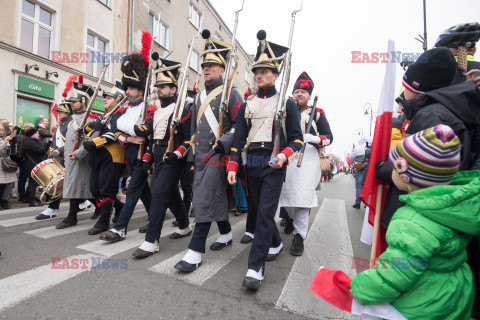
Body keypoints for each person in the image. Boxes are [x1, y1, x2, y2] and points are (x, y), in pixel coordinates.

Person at [351, 125, 479, 320]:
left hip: (420, 306)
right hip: (452, 297)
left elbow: (395, 274)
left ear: (406, 175)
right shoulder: (453, 208)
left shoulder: (412, 221)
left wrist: (360, 288)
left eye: (395, 166)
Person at [226, 31, 303, 290]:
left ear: (275, 74)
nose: (258, 75)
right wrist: (233, 165)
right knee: (259, 210)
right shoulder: (247, 103)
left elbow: (297, 140)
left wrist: (283, 155)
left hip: (274, 163)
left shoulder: (287, 103)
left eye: (264, 71)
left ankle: (255, 267)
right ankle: (276, 243)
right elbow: (238, 139)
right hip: (252, 162)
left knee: (264, 214)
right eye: (256, 71)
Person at [174, 31, 243, 273]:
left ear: (222, 69)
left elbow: (240, 126)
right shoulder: (199, 97)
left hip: (219, 155)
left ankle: (195, 252)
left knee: (204, 199)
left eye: (212, 65)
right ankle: (225, 233)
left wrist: (222, 142)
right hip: (201, 157)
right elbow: (193, 131)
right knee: (212, 196)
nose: (206, 69)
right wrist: (192, 159)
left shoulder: (230, 92)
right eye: (204, 65)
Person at [130, 59, 192, 258]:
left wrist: (177, 154)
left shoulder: (182, 109)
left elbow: (189, 138)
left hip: (174, 158)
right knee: (171, 193)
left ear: (173, 89)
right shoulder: (156, 111)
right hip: (159, 156)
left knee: (158, 193)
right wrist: (147, 157)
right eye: (157, 86)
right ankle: (184, 225)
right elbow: (152, 138)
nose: (159, 90)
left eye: (163, 87)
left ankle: (151, 241)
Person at [98, 52, 152, 242]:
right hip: (129, 153)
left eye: (130, 88)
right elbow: (114, 130)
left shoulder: (150, 107)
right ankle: (167, 218)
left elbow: (145, 130)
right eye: (126, 88)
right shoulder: (126, 109)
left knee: (132, 191)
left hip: (142, 156)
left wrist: (125, 129)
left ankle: (119, 229)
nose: (126, 92)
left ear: (140, 89)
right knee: (143, 190)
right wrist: (127, 138)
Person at [278, 72, 333, 256]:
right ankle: (293, 220)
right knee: (285, 196)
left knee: (302, 198)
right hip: (288, 156)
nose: (299, 94)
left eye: (303, 91)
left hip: (308, 160)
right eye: (297, 91)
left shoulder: (317, 114)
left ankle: (299, 236)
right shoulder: (285, 109)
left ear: (309, 95)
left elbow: (329, 137)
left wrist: (314, 138)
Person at [82, 82, 127, 235]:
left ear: (118, 99)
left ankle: (104, 221)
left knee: (107, 190)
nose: (105, 100)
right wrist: (94, 124)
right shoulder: (103, 116)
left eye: (109, 97)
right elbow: (85, 128)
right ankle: (120, 208)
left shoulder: (121, 114)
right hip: (96, 156)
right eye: (105, 97)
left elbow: (115, 133)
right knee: (95, 189)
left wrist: (94, 143)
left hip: (112, 156)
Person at [56, 77, 96, 229]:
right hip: (71, 159)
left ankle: (71, 217)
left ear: (84, 102)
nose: (71, 104)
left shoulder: (89, 119)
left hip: (82, 160)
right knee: (80, 188)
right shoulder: (74, 119)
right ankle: (102, 208)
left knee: (80, 187)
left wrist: (78, 153)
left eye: (74, 102)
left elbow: (91, 140)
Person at [35, 100, 72, 219]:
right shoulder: (61, 125)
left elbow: (73, 142)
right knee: (60, 184)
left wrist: (60, 150)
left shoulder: (71, 124)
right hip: (59, 158)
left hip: (67, 157)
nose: (59, 113)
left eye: (61, 112)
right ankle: (83, 202)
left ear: (67, 112)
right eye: (59, 111)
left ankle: (52, 208)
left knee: (62, 184)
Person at [18, 128, 50, 207]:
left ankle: (32, 198)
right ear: (31, 135)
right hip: (32, 165)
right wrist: (49, 143)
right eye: (36, 133)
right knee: (33, 183)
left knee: (34, 183)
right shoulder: (30, 142)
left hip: (32, 164)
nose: (38, 135)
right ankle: (32, 201)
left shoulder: (32, 141)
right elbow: (41, 150)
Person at [350, 136, 369, 209]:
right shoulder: (371, 147)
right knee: (367, 185)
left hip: (360, 167)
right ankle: (366, 203)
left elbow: (351, 157)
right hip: (369, 167)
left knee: (359, 185)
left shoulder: (357, 148)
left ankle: (358, 202)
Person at [0, 128, 17, 210]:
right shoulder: (4, 140)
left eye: (1, 130)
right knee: (1, 184)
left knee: (9, 183)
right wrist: (5, 142)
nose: (1, 132)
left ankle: (5, 200)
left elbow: (13, 135)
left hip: (7, 163)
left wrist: (17, 127)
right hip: (0, 164)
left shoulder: (4, 138)